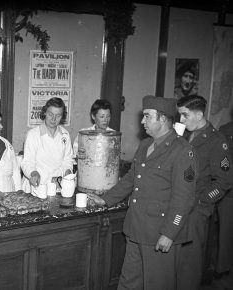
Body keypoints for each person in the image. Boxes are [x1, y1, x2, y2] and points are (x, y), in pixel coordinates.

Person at [88, 95, 198, 290]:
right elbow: (132, 178)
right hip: (136, 227)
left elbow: (184, 198)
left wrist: (169, 233)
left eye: (147, 116)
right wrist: (105, 200)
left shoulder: (182, 150)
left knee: (158, 284)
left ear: (163, 119)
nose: (142, 121)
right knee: (128, 282)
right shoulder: (145, 145)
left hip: (159, 232)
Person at [176, 95, 233, 290]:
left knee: (190, 263)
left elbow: (225, 181)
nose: (181, 120)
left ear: (199, 114)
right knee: (174, 261)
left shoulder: (217, 141)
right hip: (178, 204)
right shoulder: (184, 134)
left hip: (196, 210)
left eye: (185, 115)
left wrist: (203, 201)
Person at [21, 97, 74, 196]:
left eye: (58, 116)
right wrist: (33, 173)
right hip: (36, 187)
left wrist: (67, 171)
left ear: (62, 116)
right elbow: (27, 162)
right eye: (50, 114)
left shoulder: (65, 135)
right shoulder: (33, 134)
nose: (53, 119)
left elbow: (68, 159)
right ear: (45, 112)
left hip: (56, 187)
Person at [215, 120, 233, 282]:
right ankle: (223, 269)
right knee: (226, 233)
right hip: (229, 191)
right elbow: (223, 161)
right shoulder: (226, 129)